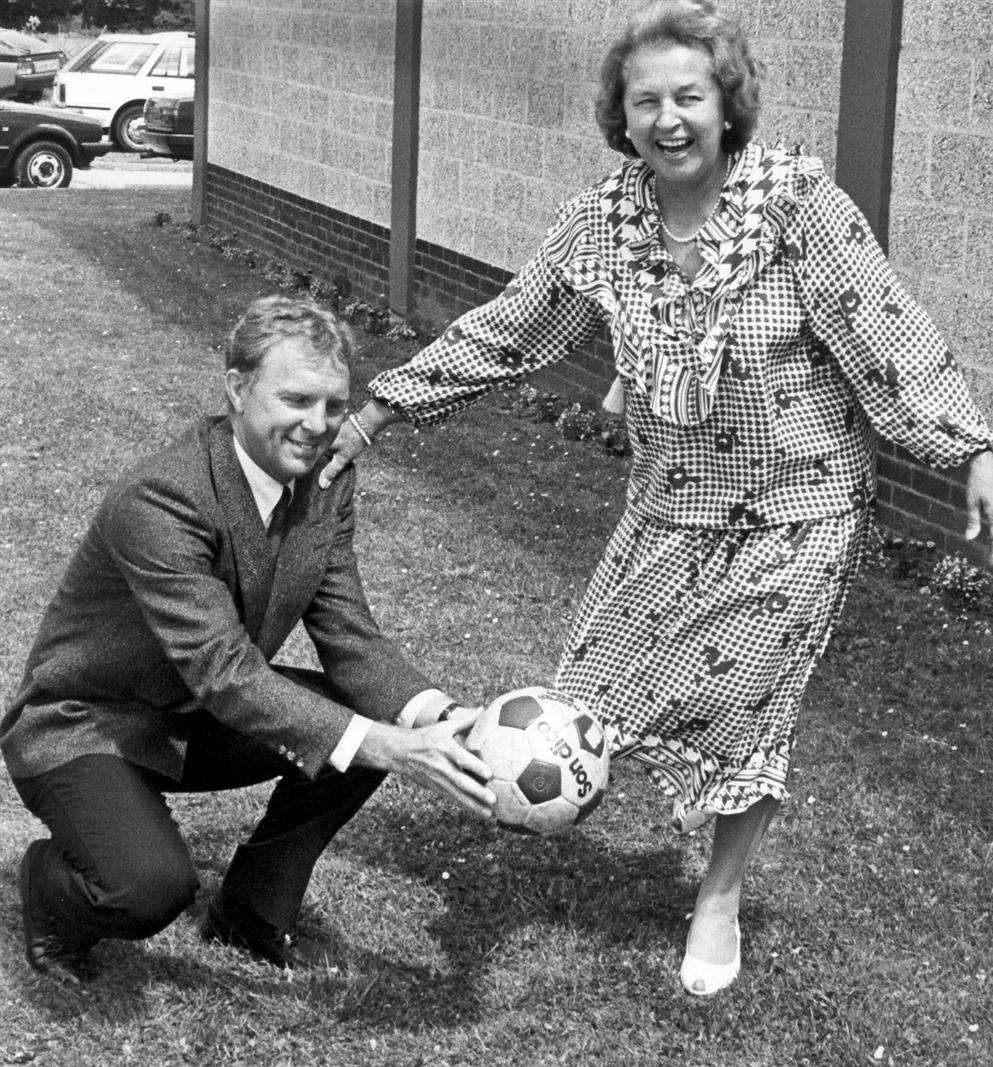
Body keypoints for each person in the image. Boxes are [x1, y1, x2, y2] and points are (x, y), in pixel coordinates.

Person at [319, 0, 993, 996]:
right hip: (668, 504)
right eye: (647, 101)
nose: (669, 118)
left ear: (729, 105)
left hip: (793, 513)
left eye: (690, 95)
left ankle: (717, 895)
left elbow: (888, 330)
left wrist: (973, 446)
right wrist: (380, 409)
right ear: (621, 115)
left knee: (742, 715)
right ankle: (540, 804)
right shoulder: (605, 219)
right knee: (585, 700)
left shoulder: (798, 205)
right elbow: (511, 327)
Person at [1, 295, 495, 987]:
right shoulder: (162, 496)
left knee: (350, 728)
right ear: (236, 388)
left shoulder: (327, 483)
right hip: (87, 725)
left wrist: (438, 718)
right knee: (148, 888)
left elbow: (348, 633)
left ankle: (251, 910)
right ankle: (49, 886)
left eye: (333, 405)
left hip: (198, 717)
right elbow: (224, 669)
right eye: (295, 398)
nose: (318, 426)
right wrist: (384, 741)